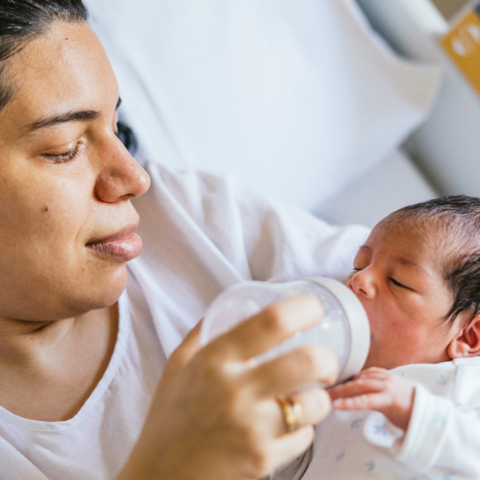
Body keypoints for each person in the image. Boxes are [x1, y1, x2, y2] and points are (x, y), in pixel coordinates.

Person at [0, 1, 371, 478]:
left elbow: (444, 304)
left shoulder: (194, 217)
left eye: (118, 130)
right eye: (65, 149)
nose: (134, 178)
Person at [293, 196, 480, 480]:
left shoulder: (465, 382)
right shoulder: (339, 378)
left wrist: (416, 411)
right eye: (359, 266)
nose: (358, 281)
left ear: (468, 336)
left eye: (398, 282)